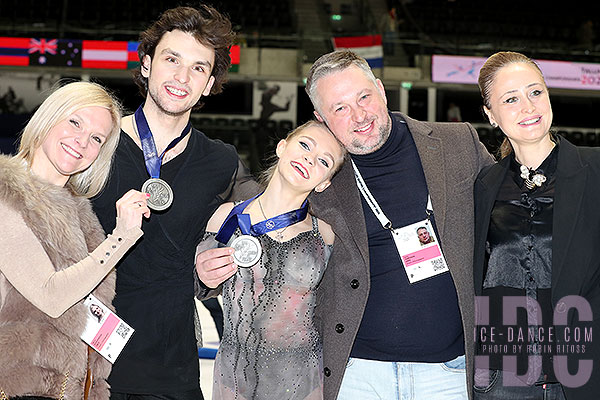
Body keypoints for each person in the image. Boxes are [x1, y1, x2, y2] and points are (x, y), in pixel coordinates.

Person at [197, 50, 494, 400]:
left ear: (381, 90)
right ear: (321, 117)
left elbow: (508, 218)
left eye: (363, 97)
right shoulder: (322, 174)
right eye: (339, 108)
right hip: (356, 375)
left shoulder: (457, 143)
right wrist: (206, 275)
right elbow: (263, 237)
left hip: (450, 372)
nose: (359, 115)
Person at [90, 5, 257, 399]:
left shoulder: (222, 163)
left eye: (199, 68)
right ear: (147, 64)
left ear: (209, 83)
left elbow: (266, 225)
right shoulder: (96, 145)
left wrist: (209, 272)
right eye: (171, 59)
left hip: (171, 370)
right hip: (86, 363)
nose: (182, 77)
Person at [0, 81, 149, 399]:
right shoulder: (6, 193)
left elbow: (90, 306)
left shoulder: (80, 211)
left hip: (73, 387)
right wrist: (121, 238)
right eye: (75, 122)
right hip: (18, 387)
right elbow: (50, 294)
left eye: (96, 138)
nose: (82, 141)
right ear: (48, 119)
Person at [473, 51, 599, 400]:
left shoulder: (596, 171)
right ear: (491, 115)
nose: (528, 106)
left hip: (581, 372)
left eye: (535, 92)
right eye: (510, 99)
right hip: (500, 377)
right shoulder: (482, 188)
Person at [197, 120, 345, 399]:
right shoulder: (226, 218)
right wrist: (202, 277)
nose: (308, 159)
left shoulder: (326, 234)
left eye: (323, 161)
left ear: (325, 182)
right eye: (304, 145)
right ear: (282, 147)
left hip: (301, 382)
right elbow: (197, 286)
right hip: (234, 379)